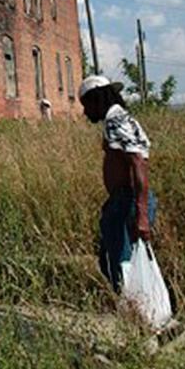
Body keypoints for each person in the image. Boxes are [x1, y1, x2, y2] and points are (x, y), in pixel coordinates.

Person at [78, 75, 156, 293]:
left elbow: (138, 162)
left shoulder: (116, 121)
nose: (86, 112)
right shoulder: (121, 119)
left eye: (87, 105)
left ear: (97, 100)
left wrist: (140, 214)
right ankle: (143, 315)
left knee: (123, 269)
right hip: (123, 202)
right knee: (111, 262)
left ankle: (145, 319)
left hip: (127, 203)